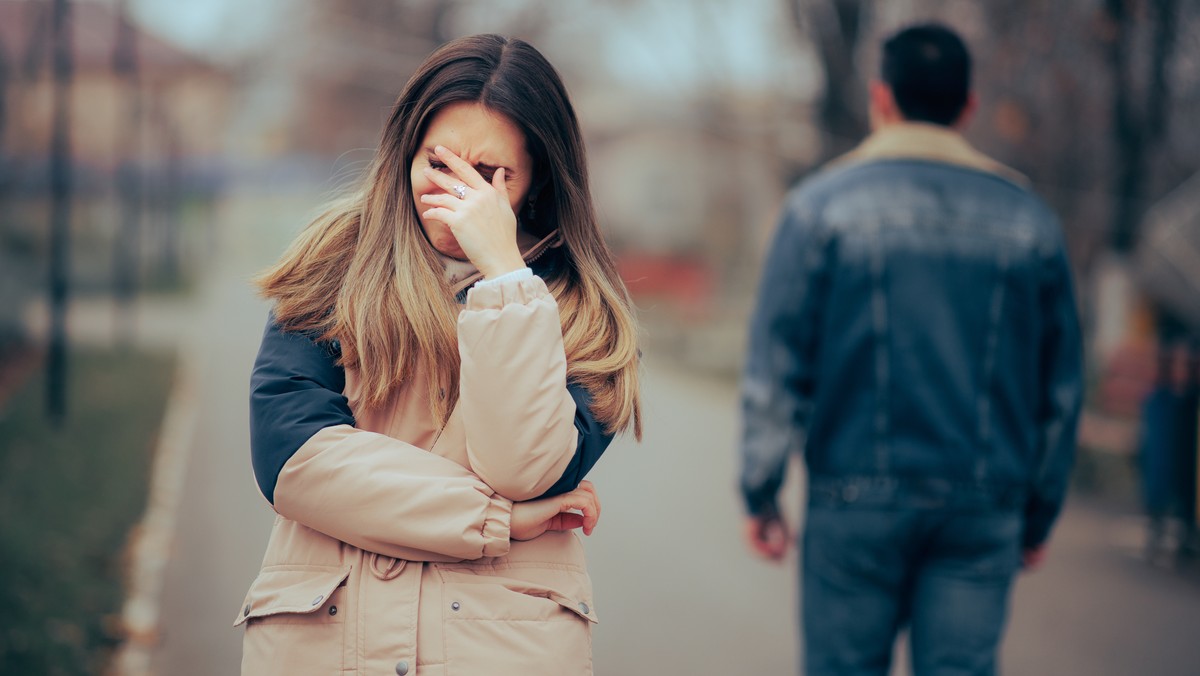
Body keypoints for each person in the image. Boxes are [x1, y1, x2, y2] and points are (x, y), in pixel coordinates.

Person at [235, 34, 641, 676]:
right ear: (406, 153)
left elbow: (523, 471)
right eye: (438, 164)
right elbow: (294, 463)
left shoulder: (585, 311)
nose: (460, 194)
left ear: (537, 177)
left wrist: (507, 277)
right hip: (325, 638)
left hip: (499, 648)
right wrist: (498, 521)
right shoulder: (331, 265)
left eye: (490, 176)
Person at [738, 23, 1083, 676]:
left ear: (881, 99)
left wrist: (762, 491)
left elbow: (774, 363)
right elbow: (1060, 386)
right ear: (969, 107)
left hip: (850, 500)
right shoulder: (1030, 221)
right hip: (985, 507)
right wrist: (1039, 510)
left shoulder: (818, 209)